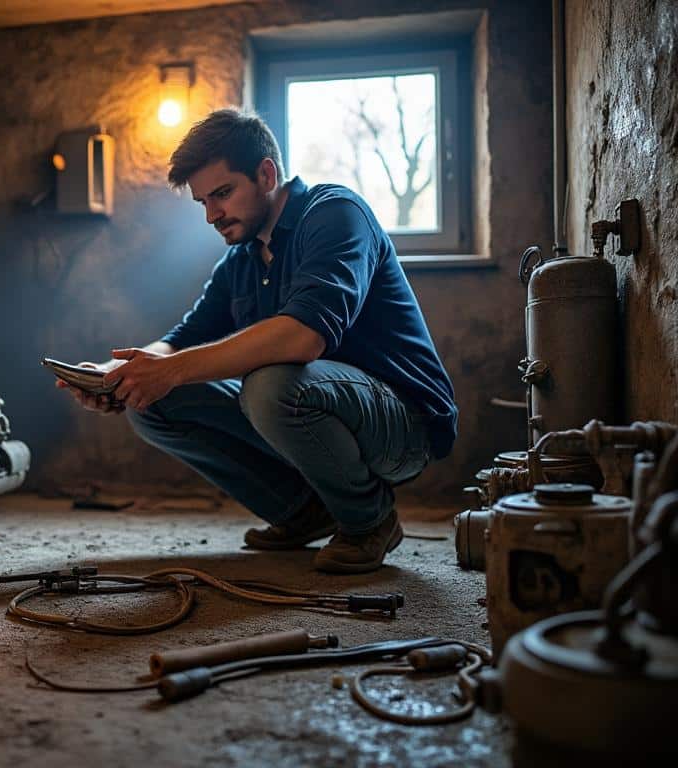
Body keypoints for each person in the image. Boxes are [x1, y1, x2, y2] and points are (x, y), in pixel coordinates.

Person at [56, 108, 457, 574]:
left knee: (270, 385)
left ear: (266, 174)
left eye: (222, 194)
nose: (212, 215)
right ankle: (304, 511)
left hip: (404, 426)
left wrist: (169, 370)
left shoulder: (335, 214)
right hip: (322, 409)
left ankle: (369, 519)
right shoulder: (241, 261)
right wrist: (120, 376)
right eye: (203, 202)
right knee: (152, 401)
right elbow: (182, 340)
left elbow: (303, 338)